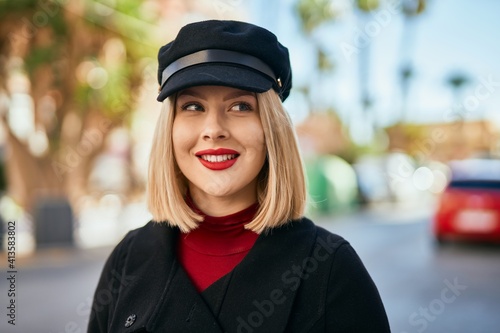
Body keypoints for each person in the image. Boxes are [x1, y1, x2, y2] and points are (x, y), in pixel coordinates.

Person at [87, 20, 390, 333]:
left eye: (241, 106)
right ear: (171, 128)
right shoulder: (129, 257)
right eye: (193, 106)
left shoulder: (332, 270)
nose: (214, 129)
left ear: (271, 128)